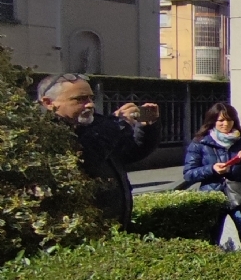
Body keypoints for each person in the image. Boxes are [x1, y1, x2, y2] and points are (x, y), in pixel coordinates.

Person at [36, 73, 160, 229]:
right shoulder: (43, 134)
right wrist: (118, 124)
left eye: (90, 98)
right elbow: (86, 160)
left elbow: (131, 152)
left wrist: (146, 126)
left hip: (114, 227)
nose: (90, 105)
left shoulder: (97, 124)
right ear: (48, 103)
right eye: (79, 99)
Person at [183, 102, 241, 252]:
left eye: (229, 120)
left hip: (239, 194)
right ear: (213, 121)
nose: (225, 124)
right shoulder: (200, 142)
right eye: (221, 121)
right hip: (213, 194)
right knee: (211, 239)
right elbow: (189, 173)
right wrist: (212, 169)